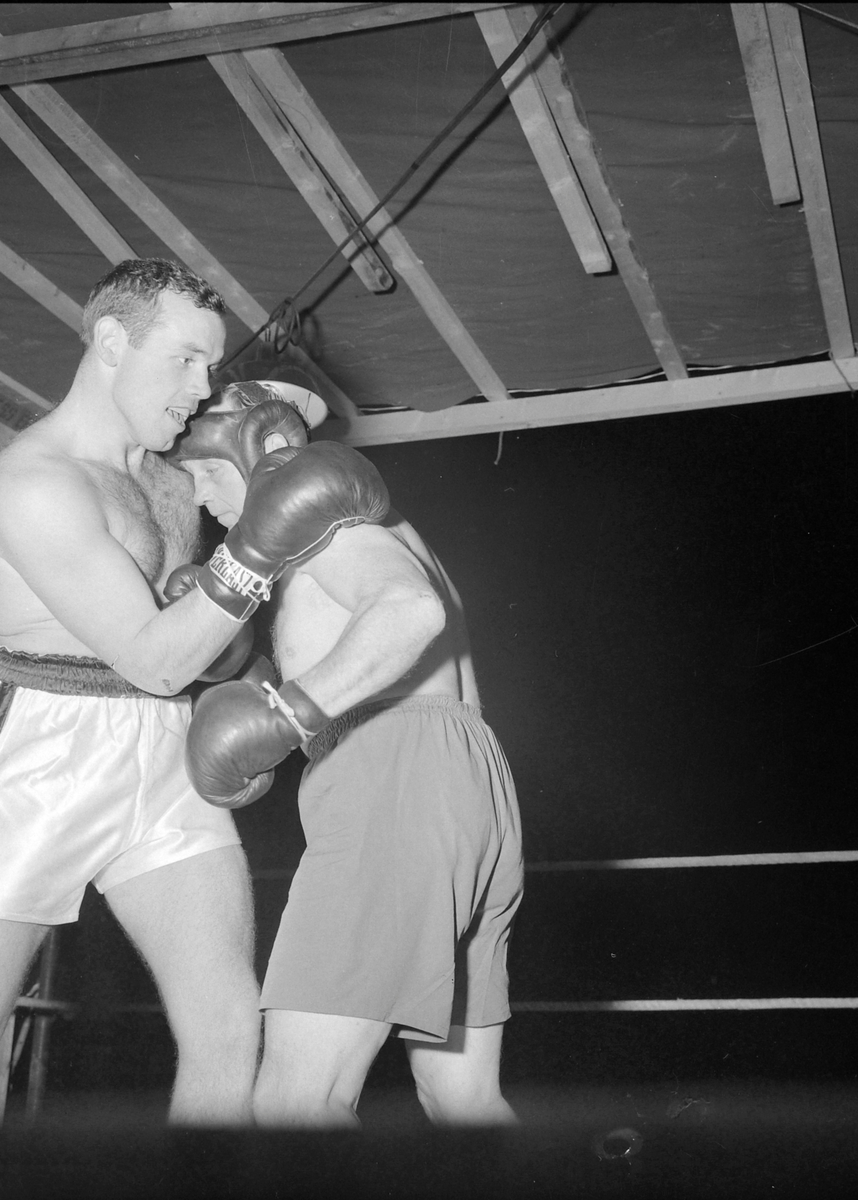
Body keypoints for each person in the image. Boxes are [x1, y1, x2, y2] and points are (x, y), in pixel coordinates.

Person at [0, 259, 314, 1126]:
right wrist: (259, 548)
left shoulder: (173, 480)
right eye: (183, 359)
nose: (203, 385)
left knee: (226, 1034)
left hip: (165, 747)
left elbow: (206, 650)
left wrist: (245, 699)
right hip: (44, 753)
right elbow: (155, 655)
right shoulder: (34, 481)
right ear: (108, 342)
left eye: (211, 364)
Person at [173, 390, 525, 1129]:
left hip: (393, 775)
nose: (200, 497)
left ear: (251, 450)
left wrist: (285, 714)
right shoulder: (366, 523)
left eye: (203, 470)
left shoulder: (319, 518)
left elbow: (408, 614)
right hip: (464, 782)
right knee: (463, 1102)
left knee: (295, 1104)